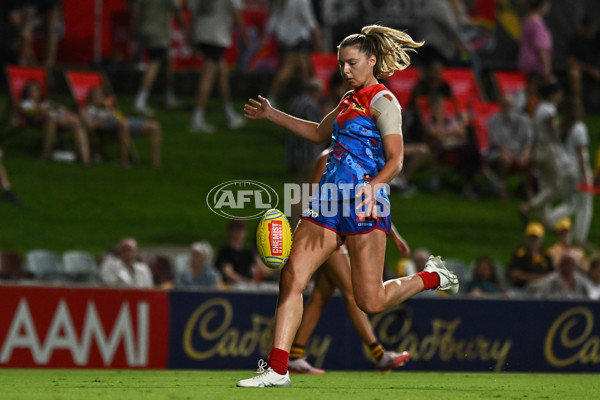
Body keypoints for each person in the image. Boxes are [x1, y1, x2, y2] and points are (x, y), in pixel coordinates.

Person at [237, 24, 459, 388]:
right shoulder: (347, 101)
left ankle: (433, 276)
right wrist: (272, 114)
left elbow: (397, 160)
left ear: (372, 60)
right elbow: (316, 133)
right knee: (292, 276)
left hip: (364, 206)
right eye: (341, 64)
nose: (344, 70)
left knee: (370, 300)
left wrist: (373, 187)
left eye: (352, 63)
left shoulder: (384, 101)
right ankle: (278, 369)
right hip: (327, 203)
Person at [288, 149, 411, 374]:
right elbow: (315, 198)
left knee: (320, 297)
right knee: (352, 292)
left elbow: (373, 199)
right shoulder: (328, 157)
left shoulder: (363, 158)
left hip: (347, 232)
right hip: (327, 233)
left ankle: (295, 356)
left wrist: (394, 235)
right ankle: (379, 354)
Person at [187, 0, 247, 133]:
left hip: (202, 33)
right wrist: (244, 35)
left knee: (222, 73)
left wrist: (192, 34)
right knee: (208, 77)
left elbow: (193, 11)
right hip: (216, 35)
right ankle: (197, 118)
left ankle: (229, 113)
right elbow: (237, 13)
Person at [545, 98, 593, 245]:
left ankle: (549, 220)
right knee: (585, 206)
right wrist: (585, 176)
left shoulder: (560, 126)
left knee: (570, 203)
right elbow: (580, 154)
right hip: (578, 170)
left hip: (564, 168)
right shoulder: (579, 128)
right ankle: (580, 238)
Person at [81, 86, 162, 168]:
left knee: (155, 126)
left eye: (101, 95)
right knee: (123, 124)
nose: (99, 98)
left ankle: (156, 163)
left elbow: (120, 116)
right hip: (109, 126)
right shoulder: (85, 110)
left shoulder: (108, 107)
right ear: (91, 97)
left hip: (124, 121)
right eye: (96, 96)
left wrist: (108, 107)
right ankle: (124, 161)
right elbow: (90, 126)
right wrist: (105, 116)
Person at [518, 80, 562, 226]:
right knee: (556, 186)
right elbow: (553, 131)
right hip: (548, 147)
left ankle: (543, 220)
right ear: (552, 94)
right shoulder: (550, 109)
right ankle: (528, 206)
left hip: (537, 148)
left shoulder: (538, 108)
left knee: (544, 185)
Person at [132, 0, 187, 115]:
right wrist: (185, 30)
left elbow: (136, 12)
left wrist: (134, 33)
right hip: (159, 32)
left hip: (147, 29)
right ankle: (140, 100)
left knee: (168, 61)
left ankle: (169, 97)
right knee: (154, 64)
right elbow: (177, 10)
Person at [264, 0, 323, 105]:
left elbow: (274, 17)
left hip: (283, 36)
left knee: (304, 67)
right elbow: (309, 19)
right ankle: (271, 98)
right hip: (297, 36)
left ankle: (306, 98)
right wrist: (318, 38)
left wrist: (267, 34)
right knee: (289, 69)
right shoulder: (302, 1)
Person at [19, 80, 90, 164]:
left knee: (76, 122)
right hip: (39, 121)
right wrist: (41, 109)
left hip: (57, 119)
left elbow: (62, 112)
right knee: (50, 117)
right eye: (31, 91)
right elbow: (32, 117)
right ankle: (45, 154)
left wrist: (62, 110)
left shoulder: (46, 102)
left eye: (36, 91)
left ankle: (85, 158)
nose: (33, 93)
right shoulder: (25, 103)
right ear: (26, 93)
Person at [485, 94, 533, 199]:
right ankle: (503, 187)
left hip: (519, 152)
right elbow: (496, 142)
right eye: (505, 104)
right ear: (501, 105)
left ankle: (527, 188)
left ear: (514, 106)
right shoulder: (494, 120)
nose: (507, 107)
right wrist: (512, 155)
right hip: (500, 152)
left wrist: (525, 154)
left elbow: (528, 141)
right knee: (505, 159)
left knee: (531, 159)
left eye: (509, 105)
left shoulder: (523, 120)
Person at [215, 219, 267, 286]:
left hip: (250, 285)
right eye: (236, 230)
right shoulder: (225, 252)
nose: (239, 233)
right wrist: (246, 282)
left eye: (242, 230)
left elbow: (258, 271)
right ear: (230, 231)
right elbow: (228, 273)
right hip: (232, 286)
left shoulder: (248, 253)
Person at [507, 221, 553, 290]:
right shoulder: (520, 254)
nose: (533, 240)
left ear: (542, 238)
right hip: (522, 289)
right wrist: (537, 278)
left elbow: (553, 274)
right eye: (531, 237)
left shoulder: (546, 254)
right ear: (526, 238)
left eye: (536, 237)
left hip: (544, 290)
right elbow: (514, 274)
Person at [566, 15, 600, 101]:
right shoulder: (576, 40)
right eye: (588, 28)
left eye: (592, 28)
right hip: (583, 69)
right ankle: (577, 102)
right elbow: (571, 61)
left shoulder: (597, 38)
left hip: (596, 68)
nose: (590, 31)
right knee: (574, 73)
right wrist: (590, 70)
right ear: (583, 28)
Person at [518, 0, 553, 78]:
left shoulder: (526, 20)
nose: (548, 8)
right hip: (536, 66)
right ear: (541, 6)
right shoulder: (537, 23)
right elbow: (541, 47)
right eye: (546, 5)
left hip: (525, 63)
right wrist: (546, 67)